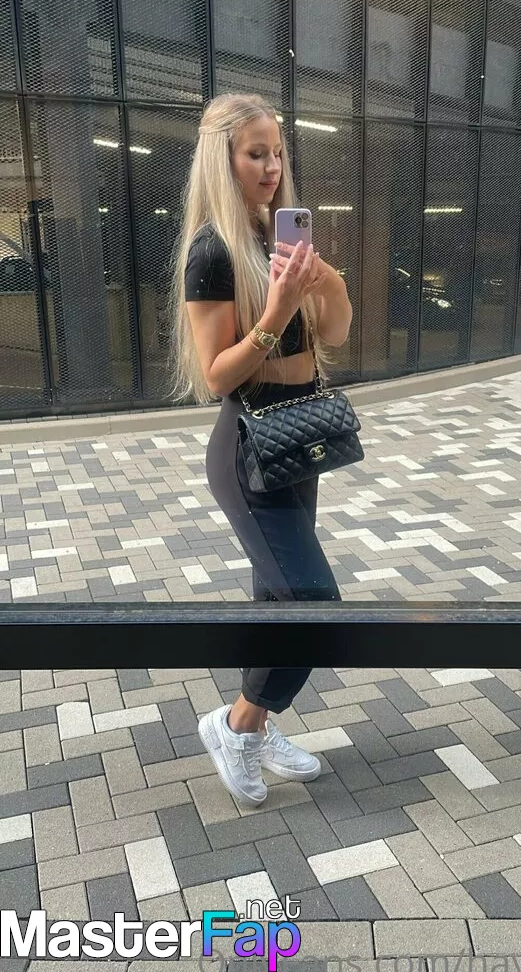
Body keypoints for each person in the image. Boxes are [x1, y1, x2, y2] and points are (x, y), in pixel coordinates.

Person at [170, 93, 353, 807]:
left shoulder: (274, 234)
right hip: (248, 450)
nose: (273, 166)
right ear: (224, 160)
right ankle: (237, 725)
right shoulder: (213, 252)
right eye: (256, 153)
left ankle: (256, 724)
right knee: (314, 601)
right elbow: (217, 375)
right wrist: (276, 312)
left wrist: (326, 281)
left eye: (277, 152)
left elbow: (333, 333)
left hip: (298, 439)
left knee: (276, 601)